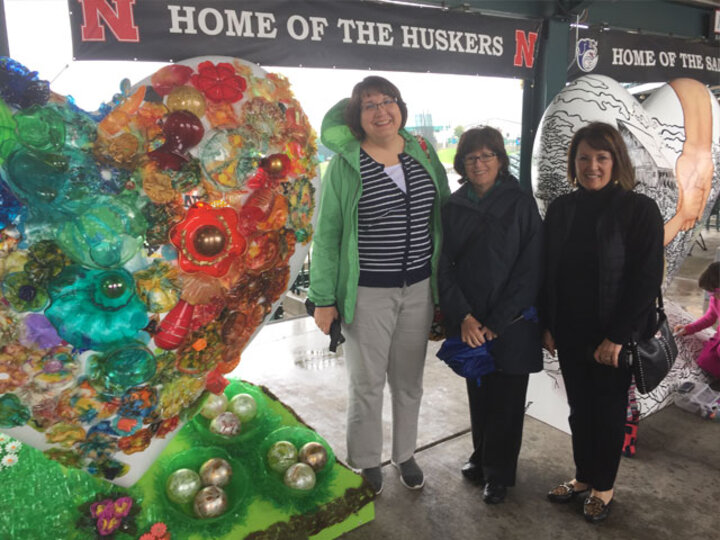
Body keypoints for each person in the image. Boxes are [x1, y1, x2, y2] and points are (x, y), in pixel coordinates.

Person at [307, 76, 450, 495]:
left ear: (400, 108)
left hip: (419, 290)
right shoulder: (345, 166)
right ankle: (367, 460)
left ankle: (404, 453)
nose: (381, 110)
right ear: (358, 117)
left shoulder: (422, 152)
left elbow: (442, 215)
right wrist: (323, 299)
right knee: (366, 383)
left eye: (388, 101)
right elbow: (327, 234)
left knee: (409, 382)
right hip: (367, 293)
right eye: (369, 105)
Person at [542, 122, 664, 523]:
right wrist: (548, 323)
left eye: (601, 157)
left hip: (613, 336)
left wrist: (616, 336)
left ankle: (603, 487)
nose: (591, 166)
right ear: (573, 163)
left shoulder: (638, 210)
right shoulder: (562, 209)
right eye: (583, 158)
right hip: (571, 330)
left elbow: (646, 279)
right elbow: (548, 271)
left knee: (608, 412)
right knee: (579, 410)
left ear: (616, 161)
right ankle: (581, 477)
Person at [438, 126, 543, 504]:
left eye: (486, 156)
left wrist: (496, 321)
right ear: (462, 164)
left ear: (500, 159)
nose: (479, 163)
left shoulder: (520, 204)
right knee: (479, 392)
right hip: (469, 322)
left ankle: (499, 473)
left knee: (508, 399)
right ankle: (480, 456)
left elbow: (530, 268)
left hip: (511, 323)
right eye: (471, 158)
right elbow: (444, 266)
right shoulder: (453, 207)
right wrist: (464, 316)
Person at [674, 261, 720, 378]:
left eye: (715, 292)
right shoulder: (715, 299)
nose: (712, 296)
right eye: (710, 293)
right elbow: (710, 317)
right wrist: (689, 328)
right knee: (706, 361)